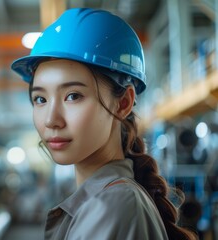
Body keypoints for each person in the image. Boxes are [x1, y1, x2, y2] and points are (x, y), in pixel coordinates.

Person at [11, 8, 197, 240]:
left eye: (73, 96)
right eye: (40, 99)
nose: (50, 120)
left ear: (123, 103)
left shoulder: (112, 205)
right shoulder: (107, 199)